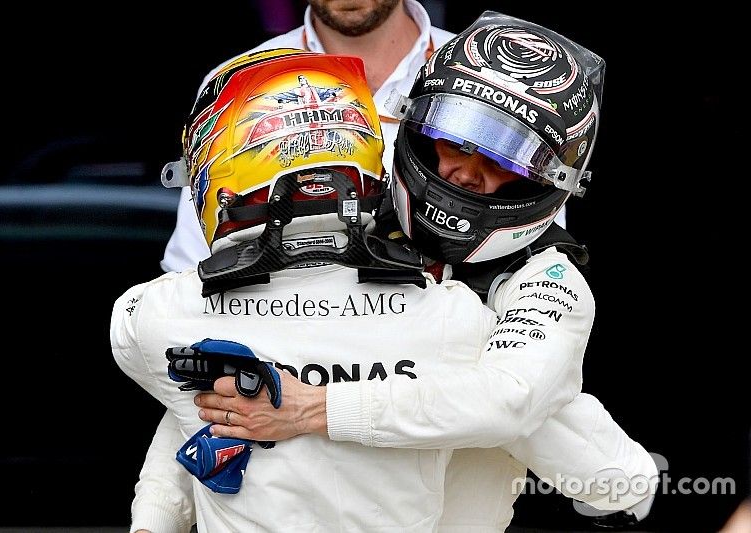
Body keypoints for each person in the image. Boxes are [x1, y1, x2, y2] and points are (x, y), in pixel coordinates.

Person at [123, 12, 657, 533]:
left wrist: (313, 407)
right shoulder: (345, 219)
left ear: (547, 181)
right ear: (415, 127)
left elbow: (516, 407)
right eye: (458, 139)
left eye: (508, 162)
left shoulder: (548, 282)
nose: (467, 173)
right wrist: (155, 517)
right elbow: (219, 379)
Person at [113, 48, 513, 532]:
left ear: (219, 174)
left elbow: (182, 397)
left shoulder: (156, 315)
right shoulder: (456, 315)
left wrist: (151, 521)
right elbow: (526, 408)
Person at [159, 0, 567, 274]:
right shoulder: (240, 82)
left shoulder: (500, 79)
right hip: (290, 351)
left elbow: (537, 251)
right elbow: (193, 267)